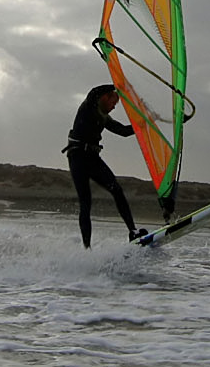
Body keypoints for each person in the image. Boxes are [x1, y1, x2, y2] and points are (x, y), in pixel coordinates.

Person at [63, 84, 147, 248]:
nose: (114, 107)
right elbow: (94, 91)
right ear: (105, 97)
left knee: (117, 190)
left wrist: (146, 123)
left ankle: (133, 232)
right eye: (113, 103)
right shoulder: (89, 105)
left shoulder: (104, 117)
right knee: (85, 202)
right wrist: (120, 85)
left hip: (93, 158)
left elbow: (123, 131)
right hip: (77, 157)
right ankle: (87, 248)